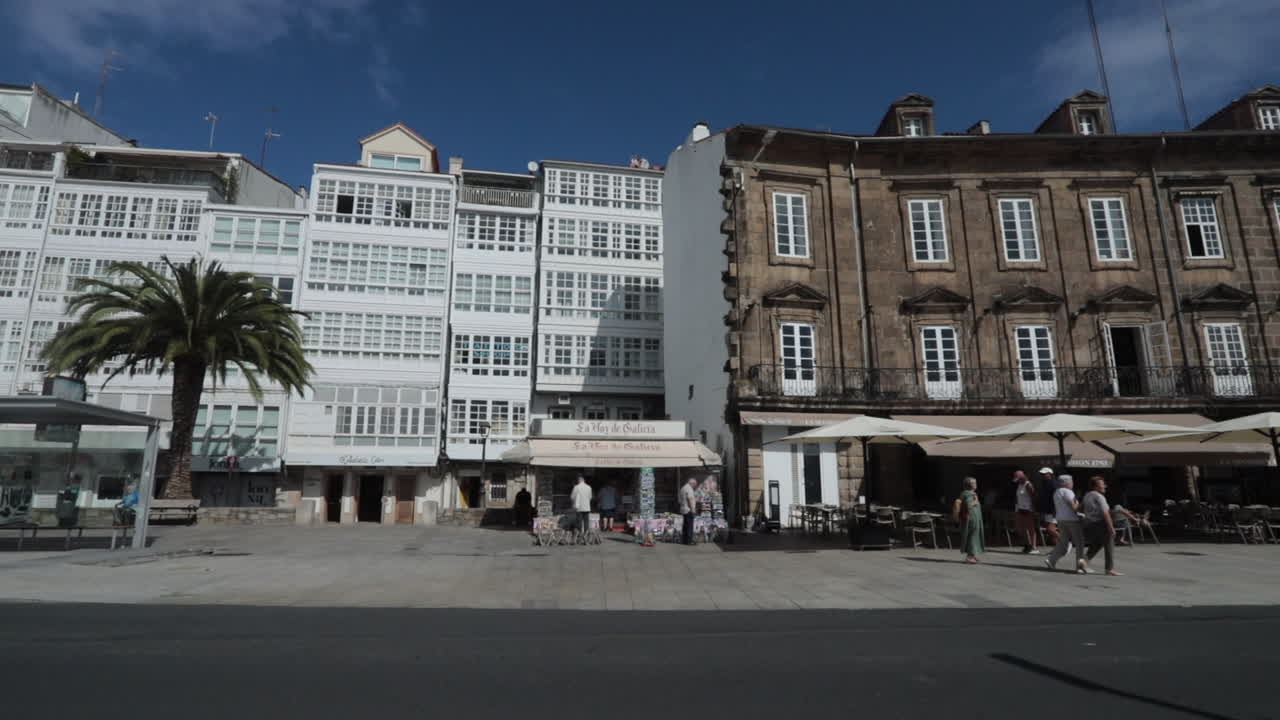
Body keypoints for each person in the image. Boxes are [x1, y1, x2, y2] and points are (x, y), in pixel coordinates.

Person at [1044, 474, 1087, 574]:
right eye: (1071, 482)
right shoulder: (1068, 492)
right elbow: (1074, 507)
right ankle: (1079, 567)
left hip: (1061, 520)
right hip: (1072, 520)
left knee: (1063, 542)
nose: (1072, 483)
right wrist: (1082, 506)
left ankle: (1051, 560)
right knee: (1079, 543)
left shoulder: (1056, 492)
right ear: (1067, 483)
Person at [1082, 476, 1121, 576]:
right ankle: (1109, 569)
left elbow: (1080, 508)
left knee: (1097, 544)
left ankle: (1083, 562)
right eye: (1102, 484)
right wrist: (1111, 527)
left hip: (1090, 523)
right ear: (1095, 486)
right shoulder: (1099, 497)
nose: (1105, 486)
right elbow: (1105, 513)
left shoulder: (1087, 495)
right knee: (1109, 546)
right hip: (1101, 523)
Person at [953, 477, 984, 564]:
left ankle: (973, 554)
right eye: (974, 483)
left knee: (974, 536)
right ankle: (970, 557)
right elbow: (968, 505)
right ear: (969, 485)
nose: (976, 484)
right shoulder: (968, 494)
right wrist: (975, 501)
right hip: (971, 519)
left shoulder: (969, 493)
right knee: (972, 536)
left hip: (973, 518)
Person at [1013, 470, 1039, 554]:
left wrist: (1033, 509)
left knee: (1030, 528)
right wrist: (1016, 508)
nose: (1018, 481)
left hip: (1028, 509)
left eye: (1019, 479)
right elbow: (1017, 498)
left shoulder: (1028, 485)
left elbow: (1033, 497)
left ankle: (1034, 547)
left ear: (1022, 477)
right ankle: (1027, 544)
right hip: (1020, 508)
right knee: (1020, 528)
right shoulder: (1019, 485)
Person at [1035, 467, 1060, 546]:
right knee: (1050, 531)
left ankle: (1065, 542)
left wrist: (1055, 510)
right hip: (1047, 510)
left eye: (1044, 474)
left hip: (1052, 510)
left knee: (1050, 529)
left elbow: (1056, 497)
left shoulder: (1053, 483)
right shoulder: (1044, 483)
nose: (1042, 475)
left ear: (1050, 474)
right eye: (1041, 474)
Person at [679, 477, 699, 545]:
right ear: (692, 483)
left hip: (683, 509)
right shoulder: (689, 488)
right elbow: (690, 499)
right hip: (688, 510)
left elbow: (680, 499)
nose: (695, 486)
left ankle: (684, 540)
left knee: (685, 526)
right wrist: (693, 509)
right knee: (689, 526)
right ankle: (689, 541)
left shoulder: (683, 488)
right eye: (695, 485)